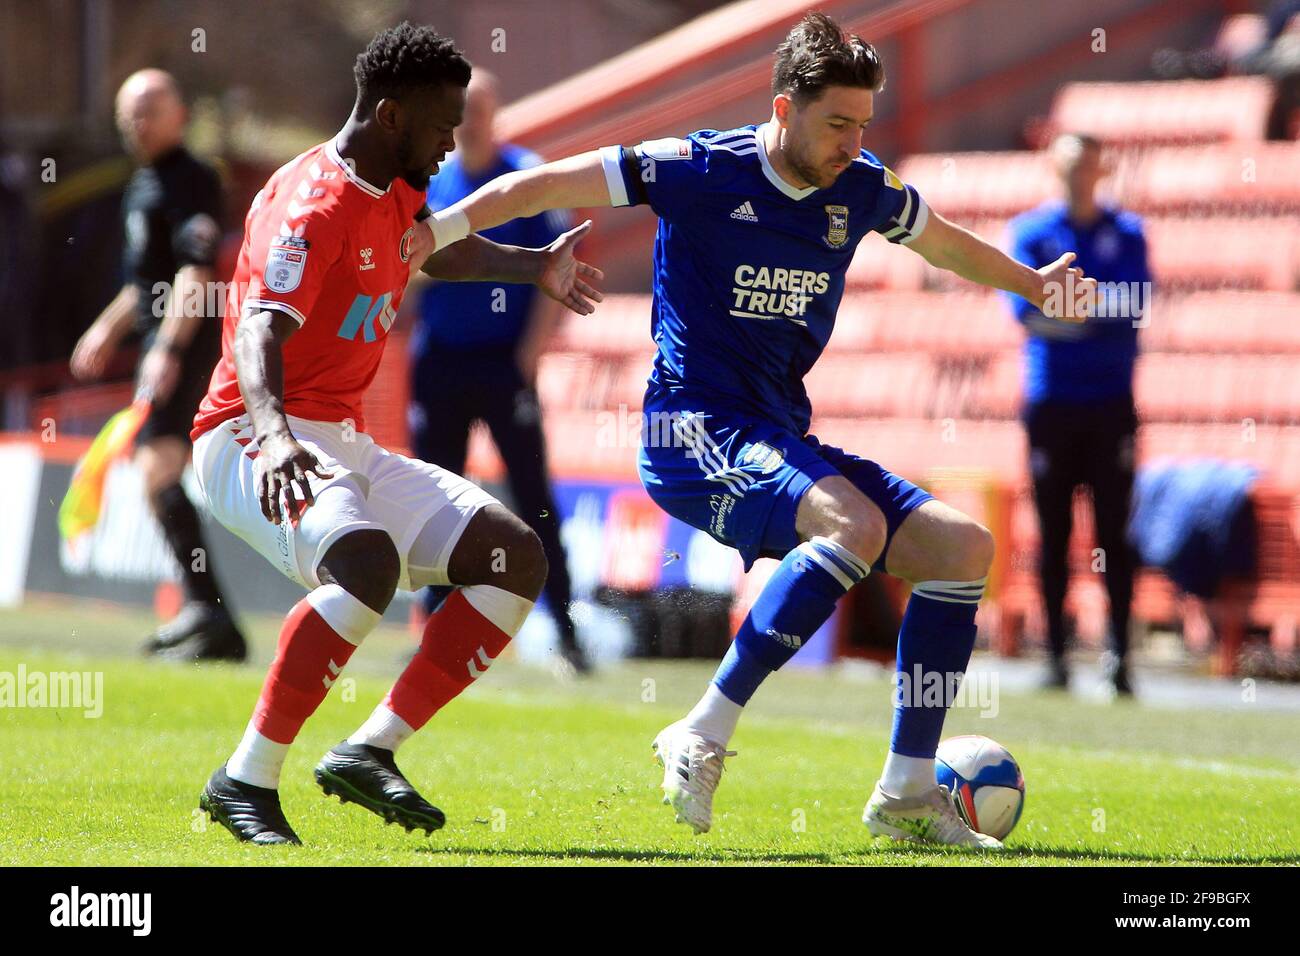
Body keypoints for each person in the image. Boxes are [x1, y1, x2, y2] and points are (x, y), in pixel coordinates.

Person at [428, 12, 1096, 847]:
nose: (855, 141)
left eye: (863, 123)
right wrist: (434, 231)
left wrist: (1032, 286)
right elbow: (535, 187)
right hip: (690, 429)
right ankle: (701, 732)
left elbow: (947, 247)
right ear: (784, 109)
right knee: (852, 525)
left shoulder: (862, 187)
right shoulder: (697, 167)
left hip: (777, 431)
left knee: (961, 551)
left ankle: (906, 794)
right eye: (837, 123)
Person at [189, 23, 602, 845]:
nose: (453, 142)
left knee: (511, 556)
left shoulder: (394, 186)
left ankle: (369, 751)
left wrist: (532, 266)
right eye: (442, 123)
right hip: (249, 431)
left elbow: (425, 251)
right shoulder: (314, 203)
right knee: (367, 564)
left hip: (335, 436)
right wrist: (273, 438)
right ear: (390, 115)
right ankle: (244, 780)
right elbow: (258, 333)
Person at [410, 68, 589, 673]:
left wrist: (529, 356)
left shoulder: (524, 176)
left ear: (497, 112)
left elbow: (555, 267)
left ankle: (564, 628)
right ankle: (434, 628)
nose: (470, 119)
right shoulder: (433, 179)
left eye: (480, 106)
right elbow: (407, 264)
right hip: (439, 362)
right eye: (461, 108)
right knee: (433, 496)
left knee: (533, 495)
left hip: (504, 366)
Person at [70, 69, 244, 661]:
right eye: (128, 115)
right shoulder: (141, 183)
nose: (136, 125)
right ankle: (208, 613)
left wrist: (168, 350)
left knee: (157, 467)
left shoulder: (193, 179)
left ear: (179, 115)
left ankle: (211, 615)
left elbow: (196, 274)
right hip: (155, 341)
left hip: (188, 341)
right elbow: (142, 284)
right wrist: (106, 328)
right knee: (156, 473)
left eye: (147, 111)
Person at [1005, 133, 1150, 697]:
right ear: (1054, 169)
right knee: (1053, 530)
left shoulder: (1127, 232)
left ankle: (1119, 656)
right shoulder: (1033, 232)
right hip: (1052, 404)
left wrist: (1068, 306)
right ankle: (1057, 658)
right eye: (1068, 166)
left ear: (1101, 169)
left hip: (1112, 404)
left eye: (1086, 166)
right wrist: (1095, 309)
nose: (1077, 177)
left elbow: (1136, 303)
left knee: (1115, 531)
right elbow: (1025, 312)